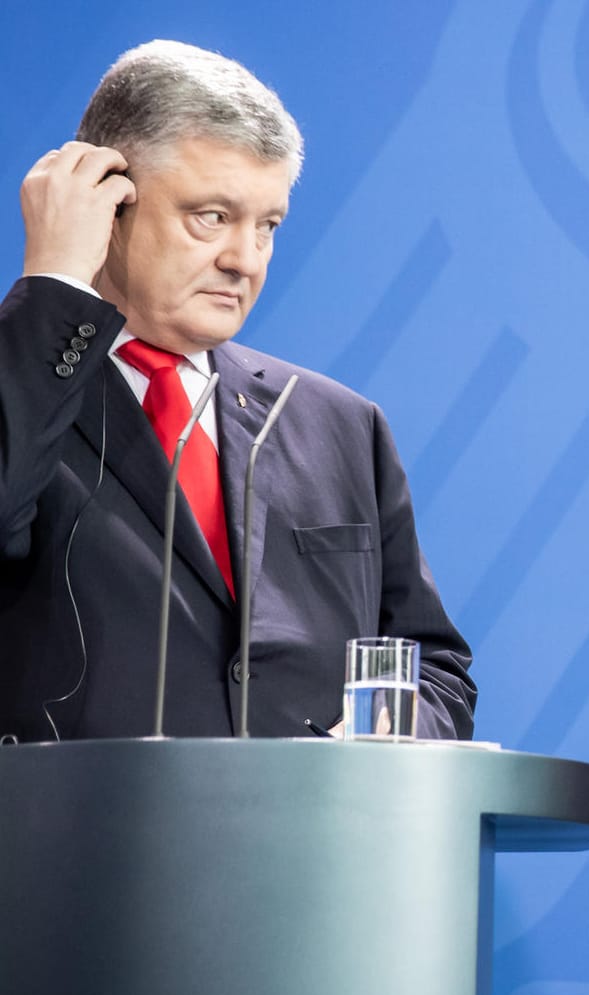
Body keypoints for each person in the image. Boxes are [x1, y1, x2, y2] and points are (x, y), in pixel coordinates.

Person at [0, 40, 474, 741]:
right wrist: (55, 287)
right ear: (107, 203)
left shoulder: (342, 425)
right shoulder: (25, 383)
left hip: (302, 842)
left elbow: (434, 668)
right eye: (211, 217)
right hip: (74, 841)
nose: (243, 260)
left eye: (268, 226)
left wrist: (373, 755)